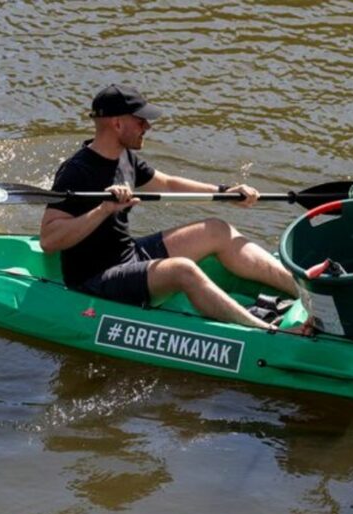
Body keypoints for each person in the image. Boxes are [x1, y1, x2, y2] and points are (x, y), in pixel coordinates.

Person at [39, 84, 300, 331]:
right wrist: (103, 210)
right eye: (140, 121)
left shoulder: (124, 156)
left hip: (128, 255)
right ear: (117, 123)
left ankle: (305, 292)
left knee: (217, 229)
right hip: (95, 278)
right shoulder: (76, 172)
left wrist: (225, 193)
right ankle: (264, 330)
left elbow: (169, 184)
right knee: (182, 269)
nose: (148, 126)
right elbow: (49, 239)